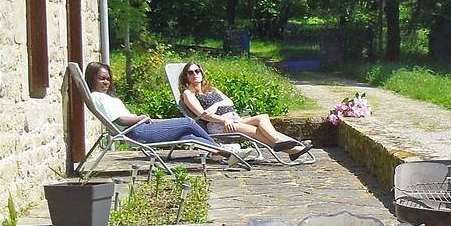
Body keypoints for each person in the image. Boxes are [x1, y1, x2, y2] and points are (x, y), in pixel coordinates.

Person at [85, 62, 241, 160]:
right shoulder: (98, 97)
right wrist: (142, 117)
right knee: (188, 122)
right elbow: (121, 121)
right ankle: (224, 151)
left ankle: (220, 153)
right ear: (92, 79)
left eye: (107, 78)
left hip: (139, 128)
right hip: (137, 132)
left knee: (188, 135)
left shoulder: (104, 97)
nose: (106, 82)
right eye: (101, 78)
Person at [178, 62, 312, 160]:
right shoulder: (188, 94)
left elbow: (229, 101)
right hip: (220, 125)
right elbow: (203, 115)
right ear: (186, 76)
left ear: (202, 73)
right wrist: (224, 119)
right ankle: (292, 150)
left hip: (234, 118)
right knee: (257, 132)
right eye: (191, 72)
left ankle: (279, 142)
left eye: (197, 71)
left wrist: (216, 105)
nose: (195, 74)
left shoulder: (211, 89)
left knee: (262, 117)